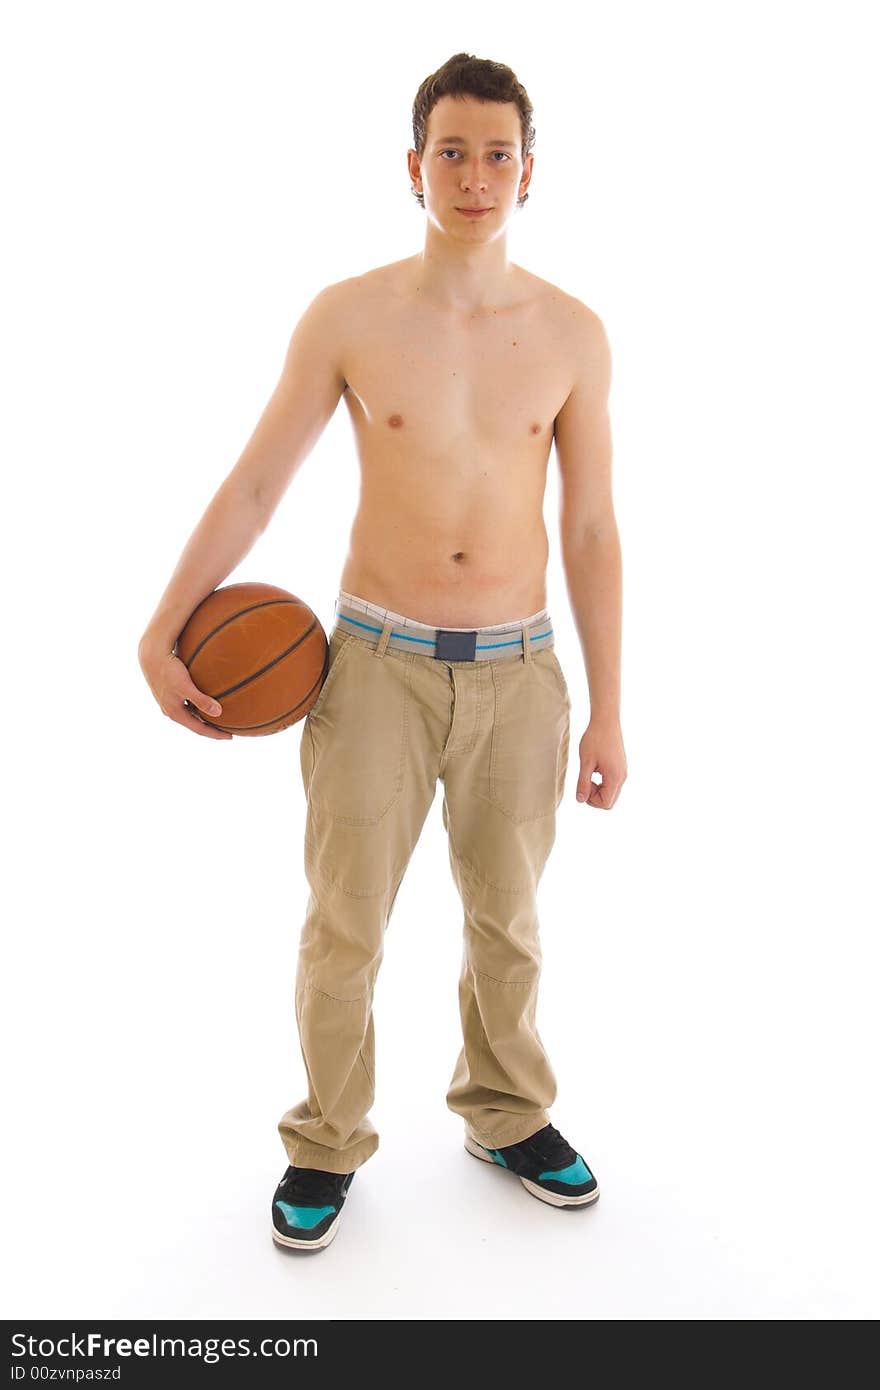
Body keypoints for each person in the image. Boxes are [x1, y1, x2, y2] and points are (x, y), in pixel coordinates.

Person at [138, 52, 627, 1253]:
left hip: (519, 671)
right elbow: (259, 482)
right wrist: (162, 626)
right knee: (343, 922)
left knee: (507, 918)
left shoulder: (570, 332)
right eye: (450, 151)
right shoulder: (350, 315)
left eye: (497, 153)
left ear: (530, 171)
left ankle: (506, 1110)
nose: (474, 175)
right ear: (414, 167)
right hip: (373, 667)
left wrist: (607, 708)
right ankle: (324, 1139)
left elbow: (593, 527)